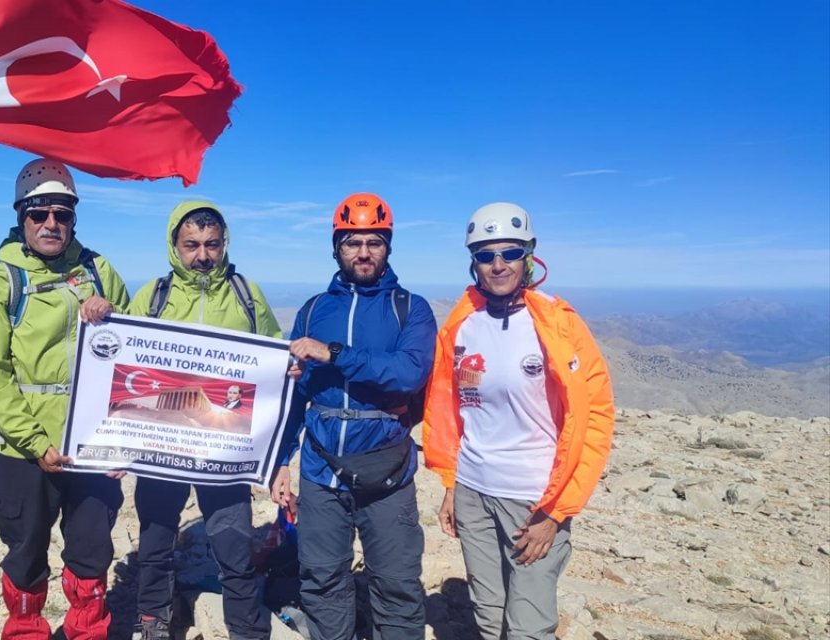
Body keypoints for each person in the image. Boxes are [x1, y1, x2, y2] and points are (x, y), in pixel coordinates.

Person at [422, 202, 615, 639]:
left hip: (532, 501)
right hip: (473, 491)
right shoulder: (462, 323)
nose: (498, 264)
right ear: (474, 262)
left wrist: (555, 512)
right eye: (486, 255)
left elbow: (595, 417)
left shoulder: (556, 325)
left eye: (509, 253)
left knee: (528, 625)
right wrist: (451, 485)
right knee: (489, 614)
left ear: (528, 255)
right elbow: (450, 410)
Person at [0, 158, 131, 640]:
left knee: (91, 552)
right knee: (25, 555)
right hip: (25, 453)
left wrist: (113, 312)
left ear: (74, 219)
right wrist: (37, 442)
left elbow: (135, 351)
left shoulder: (100, 271)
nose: (51, 224)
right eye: (39, 214)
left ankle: (88, 633)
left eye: (62, 214)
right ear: (21, 217)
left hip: (91, 444)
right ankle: (25, 631)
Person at [270, 193, 436, 639]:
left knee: (397, 585)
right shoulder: (313, 310)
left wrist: (337, 354)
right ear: (336, 247)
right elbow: (296, 393)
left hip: (387, 473)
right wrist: (280, 461)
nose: (363, 252)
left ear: (388, 247)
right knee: (322, 581)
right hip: (322, 471)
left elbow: (408, 374)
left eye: (374, 242)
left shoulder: (410, 308)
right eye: (352, 242)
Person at [128, 201, 284, 640]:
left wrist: (287, 366)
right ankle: (153, 621)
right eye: (191, 244)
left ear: (224, 244)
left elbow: (272, 347)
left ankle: (246, 630)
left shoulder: (246, 295)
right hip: (164, 446)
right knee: (156, 540)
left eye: (211, 245)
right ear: (174, 246)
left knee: (234, 546)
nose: (202, 255)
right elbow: (122, 359)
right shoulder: (153, 296)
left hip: (224, 447)